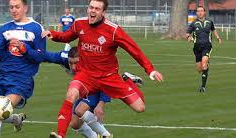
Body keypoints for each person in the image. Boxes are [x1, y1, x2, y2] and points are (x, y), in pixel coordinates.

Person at [42, 0, 163, 137]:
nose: (92, 11)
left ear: (103, 12)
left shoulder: (113, 30)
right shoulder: (79, 23)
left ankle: (127, 80)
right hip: (86, 75)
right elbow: (66, 36)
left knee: (140, 107)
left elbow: (133, 50)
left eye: (97, 9)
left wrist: (150, 69)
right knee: (71, 94)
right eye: (91, 7)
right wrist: (54, 34)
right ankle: (61, 134)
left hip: (108, 77)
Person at [0, 0, 46, 137]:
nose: (14, 10)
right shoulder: (5, 29)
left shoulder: (36, 28)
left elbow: (40, 56)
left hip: (22, 79)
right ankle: (15, 119)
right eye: (11, 7)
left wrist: (24, 48)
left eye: (17, 7)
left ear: (25, 8)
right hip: (2, 77)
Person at [43, 47, 145, 138]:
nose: (73, 67)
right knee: (75, 124)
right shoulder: (64, 57)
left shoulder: (94, 64)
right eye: (71, 63)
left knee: (80, 110)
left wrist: (101, 104)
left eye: (76, 63)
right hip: (85, 86)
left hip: (100, 86)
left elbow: (106, 84)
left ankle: (106, 135)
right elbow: (46, 55)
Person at [186, 6, 222, 93]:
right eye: (198, 11)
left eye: (201, 11)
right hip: (197, 48)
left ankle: (203, 87)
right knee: (199, 69)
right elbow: (187, 33)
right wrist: (189, 37)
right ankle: (205, 67)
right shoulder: (193, 23)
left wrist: (218, 37)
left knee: (204, 64)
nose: (200, 13)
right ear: (196, 13)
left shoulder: (210, 22)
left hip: (207, 46)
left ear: (204, 12)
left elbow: (213, 30)